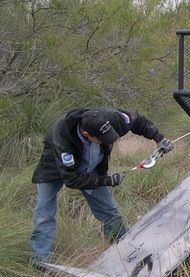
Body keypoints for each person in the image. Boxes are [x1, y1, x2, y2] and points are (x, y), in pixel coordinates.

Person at [30, 107, 173, 264]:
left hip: (93, 168)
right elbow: (72, 180)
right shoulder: (63, 136)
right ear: (86, 134)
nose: (109, 140)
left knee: (109, 213)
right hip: (55, 169)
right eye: (103, 138)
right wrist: (107, 181)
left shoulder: (109, 119)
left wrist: (159, 138)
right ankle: (40, 261)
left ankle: (123, 252)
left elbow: (137, 120)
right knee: (44, 213)